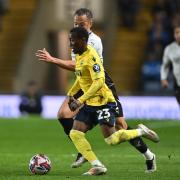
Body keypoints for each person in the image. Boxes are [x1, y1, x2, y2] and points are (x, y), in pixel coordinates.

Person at [36, 8, 157, 173]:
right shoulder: (76, 42)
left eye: (82, 24)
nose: (78, 26)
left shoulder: (92, 42)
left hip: (100, 84)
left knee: (120, 127)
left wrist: (53, 59)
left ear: (90, 24)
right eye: (76, 23)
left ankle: (149, 155)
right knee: (64, 115)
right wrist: (72, 94)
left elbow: (80, 68)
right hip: (84, 81)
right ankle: (84, 153)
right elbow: (79, 68)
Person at [67, 27, 159, 175]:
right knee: (75, 133)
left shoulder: (91, 57)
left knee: (112, 139)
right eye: (69, 40)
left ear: (83, 40)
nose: (70, 44)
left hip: (104, 101)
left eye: (73, 40)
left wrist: (80, 100)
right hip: (90, 103)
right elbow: (81, 77)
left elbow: (99, 82)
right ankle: (98, 166)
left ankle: (141, 131)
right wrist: (70, 94)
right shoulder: (78, 54)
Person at [161, 22, 180, 106]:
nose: (179, 35)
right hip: (177, 82)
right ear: (174, 34)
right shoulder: (169, 49)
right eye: (176, 32)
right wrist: (164, 78)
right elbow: (165, 65)